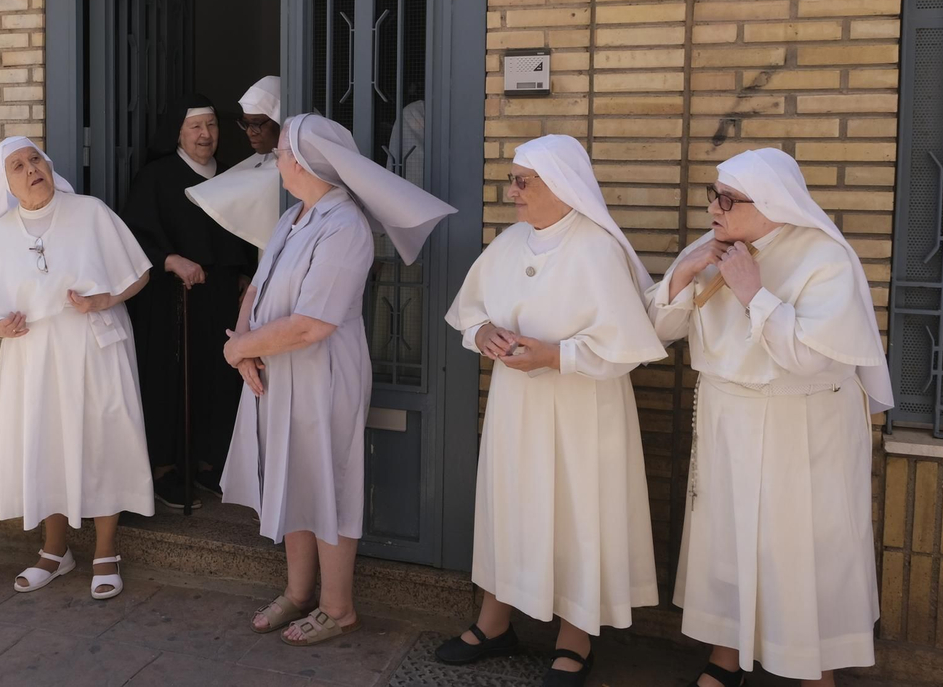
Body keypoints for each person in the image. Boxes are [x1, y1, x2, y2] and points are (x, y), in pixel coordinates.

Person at [646, 148, 891, 687]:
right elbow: (655, 331)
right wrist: (683, 272)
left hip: (802, 429)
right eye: (713, 195)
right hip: (728, 420)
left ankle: (814, 673)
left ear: (771, 202)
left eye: (727, 199)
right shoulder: (711, 247)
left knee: (803, 549)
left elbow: (808, 356)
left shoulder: (825, 258)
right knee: (726, 541)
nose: (713, 207)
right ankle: (724, 658)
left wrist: (752, 291)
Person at [438, 135, 666, 686]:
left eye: (522, 181)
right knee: (510, 504)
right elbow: (471, 312)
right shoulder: (510, 242)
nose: (511, 192)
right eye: (511, 180)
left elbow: (626, 347)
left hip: (581, 409)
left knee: (578, 513)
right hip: (517, 406)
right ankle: (495, 622)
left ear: (561, 185)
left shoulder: (597, 249)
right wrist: (483, 334)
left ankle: (575, 637)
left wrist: (555, 355)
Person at [220, 113, 455, 646]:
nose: (275, 160)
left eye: (281, 152)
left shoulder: (345, 226)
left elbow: (312, 324)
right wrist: (245, 345)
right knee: (293, 476)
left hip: (323, 374)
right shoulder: (293, 217)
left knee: (328, 480)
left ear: (304, 162)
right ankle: (299, 592)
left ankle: (338, 607)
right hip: (275, 368)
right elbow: (256, 288)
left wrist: (237, 349)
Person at [0, 136, 154, 600]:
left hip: (93, 346)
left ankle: (106, 550)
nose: (31, 168)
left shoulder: (90, 212)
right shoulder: (1, 234)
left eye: (35, 159)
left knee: (103, 439)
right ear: (6, 184)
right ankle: (55, 550)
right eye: (17, 166)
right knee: (46, 442)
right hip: (33, 355)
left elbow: (139, 273)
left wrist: (104, 299)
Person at [121, 93, 256, 509]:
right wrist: (170, 259)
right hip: (170, 300)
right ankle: (165, 469)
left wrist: (245, 274)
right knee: (169, 380)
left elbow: (246, 234)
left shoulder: (232, 177)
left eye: (212, 126)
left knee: (218, 377)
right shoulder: (156, 177)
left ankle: (207, 464)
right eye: (195, 126)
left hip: (219, 296)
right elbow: (133, 234)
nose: (205, 134)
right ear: (178, 133)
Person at [186, 75, 284, 251]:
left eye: (256, 124)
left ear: (281, 120)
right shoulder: (260, 161)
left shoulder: (298, 166)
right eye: (245, 124)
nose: (249, 132)